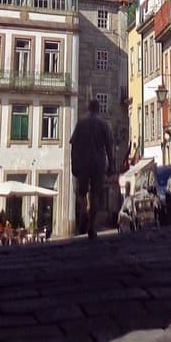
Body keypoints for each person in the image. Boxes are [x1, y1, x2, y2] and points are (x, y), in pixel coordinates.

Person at [69, 98, 115, 239]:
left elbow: (74, 145)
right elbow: (109, 147)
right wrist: (111, 165)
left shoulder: (80, 123)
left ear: (88, 108)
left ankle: (83, 211)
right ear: (99, 109)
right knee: (95, 194)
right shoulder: (104, 124)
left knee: (82, 192)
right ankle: (92, 227)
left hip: (82, 163)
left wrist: (73, 163)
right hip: (98, 164)